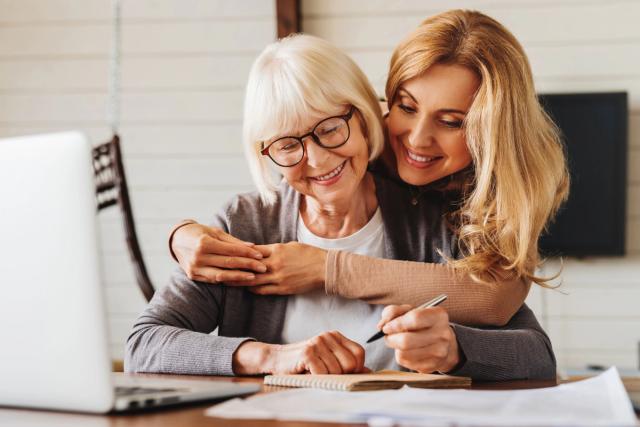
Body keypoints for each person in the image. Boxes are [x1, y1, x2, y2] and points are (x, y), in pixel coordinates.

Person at [127, 18, 560, 379]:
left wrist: (456, 349)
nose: (316, 159)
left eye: (331, 128)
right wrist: (269, 357)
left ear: (362, 114)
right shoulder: (247, 223)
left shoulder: (440, 214)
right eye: (287, 144)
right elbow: (143, 345)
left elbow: (526, 339)